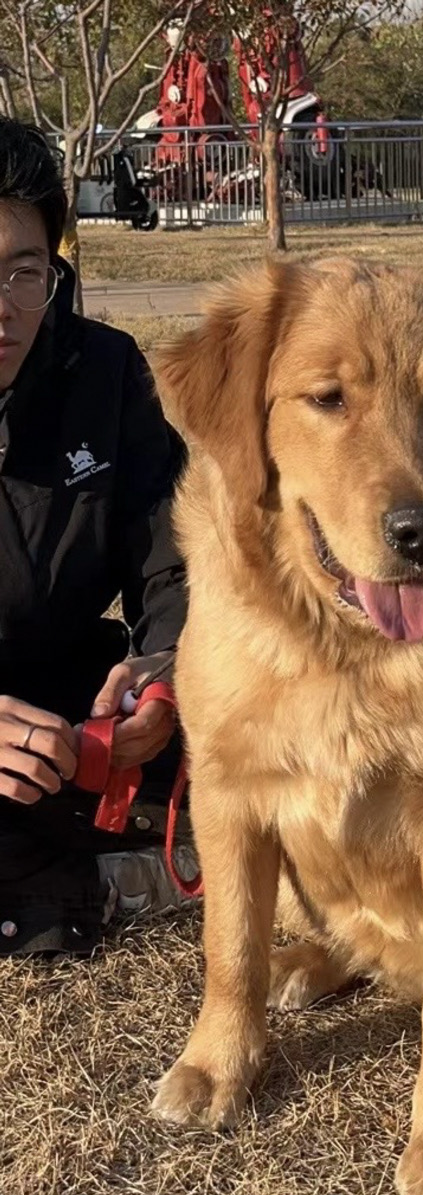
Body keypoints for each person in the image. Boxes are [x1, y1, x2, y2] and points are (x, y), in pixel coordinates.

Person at [0, 116, 191, 956]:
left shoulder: (104, 372)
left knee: (277, 709)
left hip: (77, 701)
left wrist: (167, 676)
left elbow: (179, 558)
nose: (2, 306)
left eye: (23, 272)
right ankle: (114, 882)